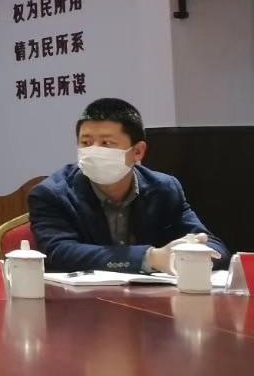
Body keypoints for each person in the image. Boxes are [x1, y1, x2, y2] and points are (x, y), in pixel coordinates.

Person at [28, 97, 227, 274]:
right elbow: (58, 252)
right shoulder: (51, 194)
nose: (93, 151)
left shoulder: (164, 189)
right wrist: (150, 258)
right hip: (82, 300)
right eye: (86, 143)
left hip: (156, 298)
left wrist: (196, 253)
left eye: (106, 143)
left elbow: (213, 246)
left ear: (138, 151)